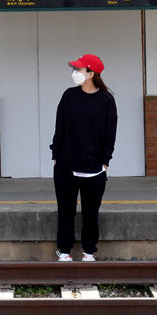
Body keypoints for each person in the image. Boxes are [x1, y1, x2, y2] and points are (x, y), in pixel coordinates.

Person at [49, 53, 117, 262]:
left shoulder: (106, 101)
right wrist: (56, 155)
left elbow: (109, 134)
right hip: (66, 165)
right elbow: (59, 127)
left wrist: (105, 161)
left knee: (91, 212)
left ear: (90, 74)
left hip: (94, 167)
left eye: (78, 69)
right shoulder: (69, 95)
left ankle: (89, 251)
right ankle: (64, 250)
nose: (75, 72)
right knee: (65, 211)